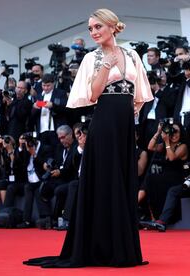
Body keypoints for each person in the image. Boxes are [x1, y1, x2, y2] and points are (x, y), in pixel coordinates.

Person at [23, 8, 153, 268]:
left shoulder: (132, 55)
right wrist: (106, 64)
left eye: (98, 27)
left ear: (112, 26)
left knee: (123, 181)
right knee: (105, 180)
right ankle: (99, 247)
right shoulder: (92, 58)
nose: (93, 32)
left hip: (125, 124)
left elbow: (139, 95)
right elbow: (92, 95)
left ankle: (123, 248)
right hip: (103, 122)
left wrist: (132, 120)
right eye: (91, 28)